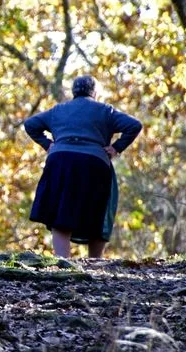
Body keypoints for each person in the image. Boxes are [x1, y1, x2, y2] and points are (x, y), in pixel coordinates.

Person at [24, 76, 142, 258]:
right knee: (98, 210)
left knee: (61, 211)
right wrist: (116, 148)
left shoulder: (58, 110)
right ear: (95, 93)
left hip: (60, 162)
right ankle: (95, 262)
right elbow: (134, 125)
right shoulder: (105, 111)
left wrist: (48, 145)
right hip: (94, 163)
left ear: (73, 92)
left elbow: (31, 124)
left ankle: (63, 261)